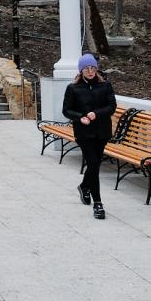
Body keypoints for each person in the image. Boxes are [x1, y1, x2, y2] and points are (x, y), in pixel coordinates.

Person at [62, 53, 117, 219]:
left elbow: (111, 106)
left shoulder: (105, 86)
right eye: (87, 68)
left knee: (95, 166)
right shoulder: (73, 88)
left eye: (93, 68)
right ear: (81, 70)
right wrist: (80, 117)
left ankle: (84, 186)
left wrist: (96, 114)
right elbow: (66, 110)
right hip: (84, 132)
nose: (90, 71)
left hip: (102, 132)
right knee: (93, 165)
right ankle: (98, 204)